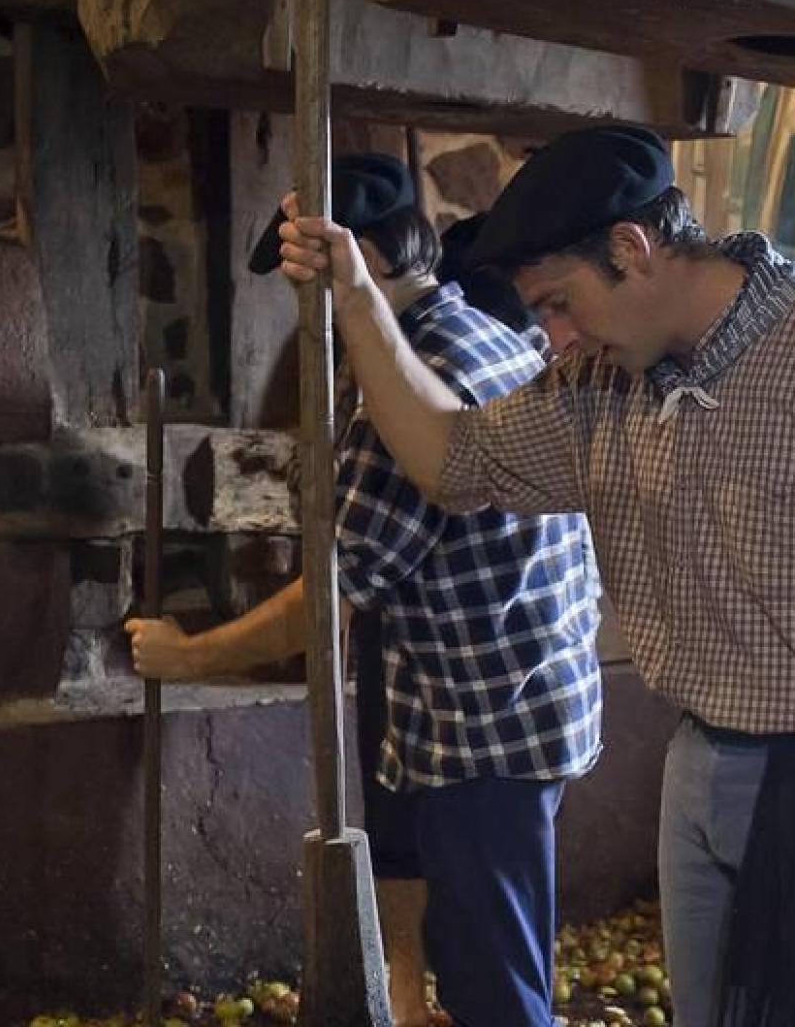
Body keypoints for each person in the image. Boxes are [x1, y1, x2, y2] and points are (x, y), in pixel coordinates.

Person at [273, 125, 795, 1026]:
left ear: (631, 249)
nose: (554, 340)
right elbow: (453, 459)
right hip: (701, 763)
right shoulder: (604, 385)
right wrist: (360, 298)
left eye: (561, 304)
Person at [127, 153, 602, 1027]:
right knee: (493, 964)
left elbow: (331, 597)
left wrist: (184, 653)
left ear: (366, 265)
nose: (304, 308)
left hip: (485, 731)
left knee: (496, 991)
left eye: (310, 279)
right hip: (534, 706)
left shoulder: (408, 391)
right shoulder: (493, 335)